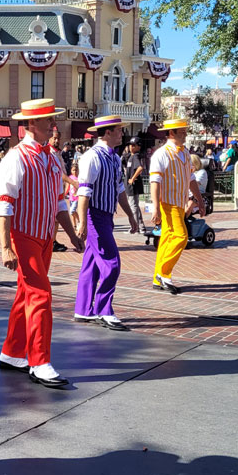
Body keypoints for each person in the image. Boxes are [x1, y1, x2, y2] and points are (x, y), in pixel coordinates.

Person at [0, 98, 84, 389]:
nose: (53, 125)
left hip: (45, 237)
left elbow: (59, 201)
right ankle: (39, 361)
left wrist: (70, 234)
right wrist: (6, 246)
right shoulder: (15, 159)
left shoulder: (52, 158)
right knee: (40, 295)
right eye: (48, 120)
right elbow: (4, 204)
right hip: (24, 236)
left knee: (26, 295)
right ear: (31, 124)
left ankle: (11, 352)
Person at [73, 116, 139, 331]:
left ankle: (83, 309)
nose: (123, 134)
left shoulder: (115, 158)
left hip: (106, 216)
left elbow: (119, 190)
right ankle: (104, 310)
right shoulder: (92, 157)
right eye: (119, 130)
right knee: (111, 264)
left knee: (91, 265)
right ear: (108, 132)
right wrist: (82, 222)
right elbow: (84, 192)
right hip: (95, 216)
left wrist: (130, 215)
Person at [150, 119, 206, 295]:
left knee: (167, 240)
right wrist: (155, 207)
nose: (186, 134)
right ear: (172, 133)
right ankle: (163, 274)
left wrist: (199, 199)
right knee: (181, 237)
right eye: (182, 131)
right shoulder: (161, 154)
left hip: (179, 203)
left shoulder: (185, 153)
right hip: (168, 203)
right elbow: (155, 181)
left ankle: (157, 277)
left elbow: (191, 179)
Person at [123, 136, 145, 234]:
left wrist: (132, 178)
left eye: (133, 145)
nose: (131, 147)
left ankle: (135, 227)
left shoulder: (135, 156)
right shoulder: (131, 156)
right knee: (135, 205)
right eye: (130, 145)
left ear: (138, 147)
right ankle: (140, 226)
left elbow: (140, 168)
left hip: (132, 185)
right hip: (131, 185)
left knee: (133, 206)